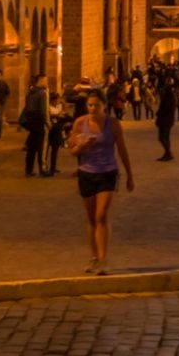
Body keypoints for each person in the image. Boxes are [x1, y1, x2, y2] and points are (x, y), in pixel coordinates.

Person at [68, 88, 134, 274]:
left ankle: (103, 259)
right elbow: (72, 151)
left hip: (108, 172)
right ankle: (94, 257)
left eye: (96, 105)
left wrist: (129, 174)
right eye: (89, 105)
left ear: (104, 106)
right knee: (90, 219)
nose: (92, 108)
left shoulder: (112, 124)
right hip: (86, 173)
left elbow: (122, 149)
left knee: (101, 216)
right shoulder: (80, 124)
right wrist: (82, 146)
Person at [21, 72, 50, 176]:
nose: (47, 82)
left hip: (31, 121)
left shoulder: (30, 92)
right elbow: (44, 110)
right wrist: (48, 123)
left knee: (32, 147)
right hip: (39, 122)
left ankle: (28, 169)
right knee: (42, 146)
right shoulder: (43, 93)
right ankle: (43, 169)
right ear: (41, 81)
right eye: (46, 80)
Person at [46, 91, 69, 176]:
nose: (58, 101)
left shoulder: (58, 106)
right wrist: (58, 115)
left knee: (55, 150)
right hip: (52, 130)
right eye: (56, 100)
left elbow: (64, 111)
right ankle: (48, 168)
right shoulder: (48, 107)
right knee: (49, 149)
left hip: (58, 129)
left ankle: (53, 167)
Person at [154, 77, 176, 162]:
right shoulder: (170, 96)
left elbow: (164, 109)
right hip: (168, 120)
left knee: (162, 137)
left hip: (165, 120)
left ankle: (168, 153)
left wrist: (158, 113)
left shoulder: (168, 97)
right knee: (166, 137)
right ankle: (167, 154)